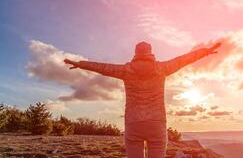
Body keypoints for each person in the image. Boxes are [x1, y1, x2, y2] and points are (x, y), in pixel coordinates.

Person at [64, 41, 221, 158]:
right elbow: (184, 59)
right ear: (150, 53)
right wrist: (205, 51)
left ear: (136, 53)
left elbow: (103, 68)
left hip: (133, 123)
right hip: (157, 122)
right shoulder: (162, 68)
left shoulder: (126, 70)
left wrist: (81, 64)